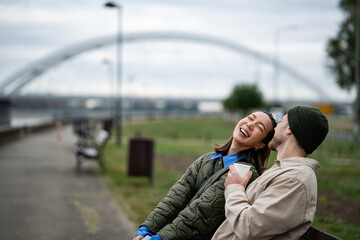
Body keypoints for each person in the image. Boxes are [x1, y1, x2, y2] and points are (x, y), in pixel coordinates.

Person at [133, 111, 277, 240]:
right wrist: (147, 228)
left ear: (260, 145)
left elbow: (201, 215)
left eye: (259, 127)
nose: (250, 124)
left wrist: (160, 238)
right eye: (250, 118)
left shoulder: (244, 173)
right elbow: (175, 197)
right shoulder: (207, 158)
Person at [212, 106, 329, 240]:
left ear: (289, 129)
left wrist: (234, 188)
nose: (274, 128)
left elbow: (249, 227)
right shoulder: (284, 171)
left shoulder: (296, 179)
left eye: (280, 122)